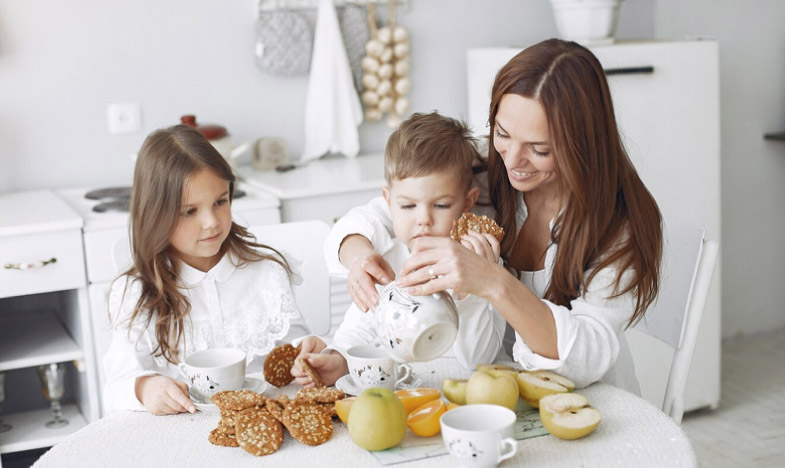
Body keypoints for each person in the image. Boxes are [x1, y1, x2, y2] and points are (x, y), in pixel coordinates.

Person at [324, 39, 663, 394]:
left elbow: (586, 358)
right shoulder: (484, 172)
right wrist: (359, 256)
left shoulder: (617, 225)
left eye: (539, 149)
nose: (513, 160)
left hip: (587, 400)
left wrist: (491, 281)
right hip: (494, 391)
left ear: (582, 145)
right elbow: (383, 213)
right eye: (502, 133)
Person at [103, 125, 311, 415]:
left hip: (262, 424)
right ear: (154, 215)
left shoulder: (267, 274)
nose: (212, 222)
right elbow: (116, 386)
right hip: (179, 438)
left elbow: (296, 352)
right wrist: (144, 389)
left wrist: (310, 354)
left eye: (220, 202)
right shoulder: (135, 294)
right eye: (190, 211)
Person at [291, 112, 507, 387]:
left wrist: (471, 293)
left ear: (468, 202)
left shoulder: (484, 264)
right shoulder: (387, 260)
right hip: (400, 400)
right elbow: (357, 332)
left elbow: (479, 361)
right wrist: (337, 358)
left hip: (464, 401)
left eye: (440, 205)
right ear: (388, 201)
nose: (423, 219)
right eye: (407, 206)